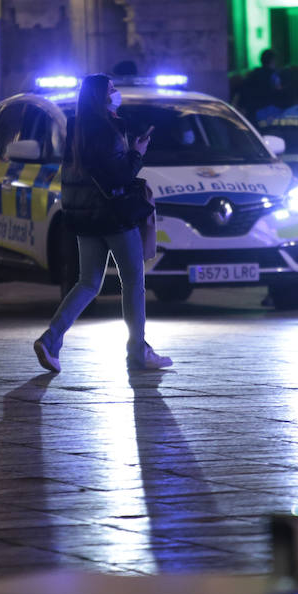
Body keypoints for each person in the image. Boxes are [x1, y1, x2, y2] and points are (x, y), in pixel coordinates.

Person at [33, 74, 172, 373]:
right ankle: (138, 352)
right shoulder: (106, 131)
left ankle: (51, 338)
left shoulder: (77, 128)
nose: (116, 94)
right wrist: (137, 152)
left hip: (84, 218)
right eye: (111, 90)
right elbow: (119, 176)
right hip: (114, 218)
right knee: (133, 281)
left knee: (88, 282)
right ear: (101, 97)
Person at [237, 50, 282, 120]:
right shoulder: (274, 75)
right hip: (269, 113)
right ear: (272, 60)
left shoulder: (253, 74)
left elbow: (243, 91)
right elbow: (278, 89)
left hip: (253, 112)